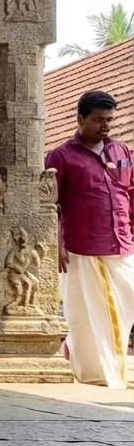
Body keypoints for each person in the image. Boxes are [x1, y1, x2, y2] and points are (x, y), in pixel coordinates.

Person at [49, 90, 134, 388]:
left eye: (109, 120)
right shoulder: (61, 156)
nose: (105, 126)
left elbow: (130, 194)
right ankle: (98, 374)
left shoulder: (121, 151)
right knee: (86, 314)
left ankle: (106, 366)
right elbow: (48, 205)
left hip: (122, 243)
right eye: (98, 120)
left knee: (124, 304)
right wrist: (56, 241)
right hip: (83, 247)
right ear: (80, 119)